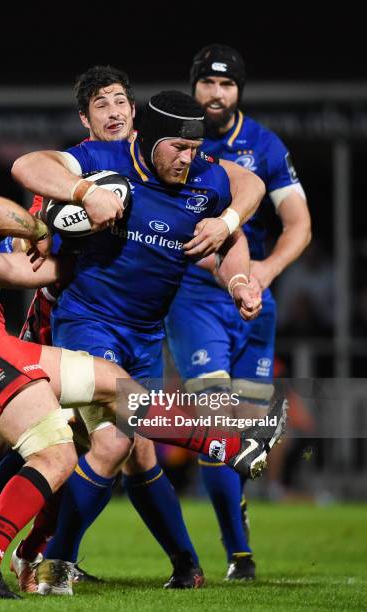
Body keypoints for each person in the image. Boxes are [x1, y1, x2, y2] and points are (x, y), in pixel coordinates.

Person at [0, 126, 285, 599]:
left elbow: (14, 268)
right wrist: (47, 224)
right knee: (59, 450)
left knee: (110, 386)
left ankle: (226, 445)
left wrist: (88, 251)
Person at [10, 88, 281, 595]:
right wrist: (83, 191)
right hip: (89, 322)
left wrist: (234, 256)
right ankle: (54, 562)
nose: (189, 158)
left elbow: (248, 185)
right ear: (150, 139)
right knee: (116, 439)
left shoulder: (202, 177)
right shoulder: (105, 160)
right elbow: (29, 165)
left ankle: (185, 564)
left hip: (144, 335)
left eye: (194, 149)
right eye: (178, 148)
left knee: (141, 453)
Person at [165, 44, 311, 580]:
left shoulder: (264, 146)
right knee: (217, 416)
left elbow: (299, 222)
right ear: (194, 86)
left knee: (244, 430)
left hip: (254, 299)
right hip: (194, 296)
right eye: (207, 83)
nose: (216, 93)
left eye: (226, 85)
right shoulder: (176, 140)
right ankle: (238, 553)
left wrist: (266, 272)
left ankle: (235, 513)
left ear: (238, 92)